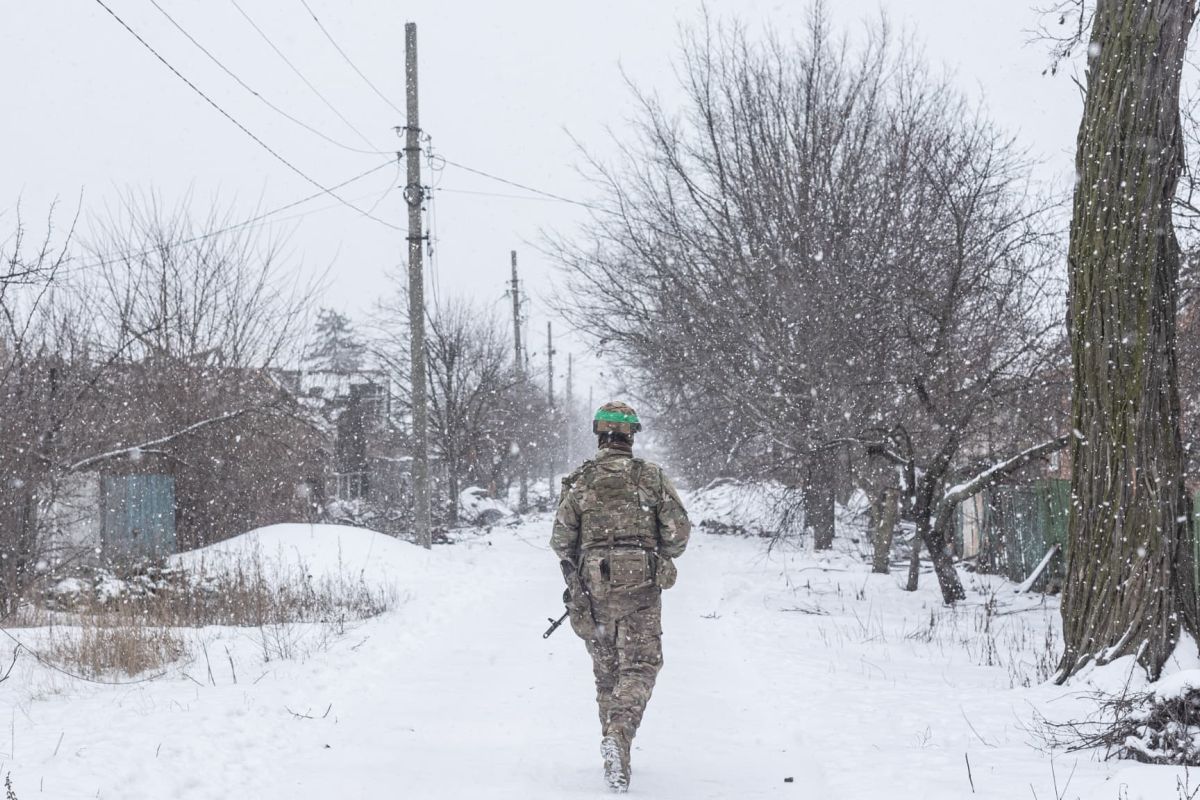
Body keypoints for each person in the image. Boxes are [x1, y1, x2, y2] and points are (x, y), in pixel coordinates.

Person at [550, 401, 691, 793]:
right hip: (641, 589)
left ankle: (615, 753)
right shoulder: (650, 478)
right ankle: (619, 736)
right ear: (631, 435)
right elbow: (678, 536)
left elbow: (561, 541)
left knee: (607, 672)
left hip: (594, 590)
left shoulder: (581, 481)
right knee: (641, 666)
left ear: (600, 434)